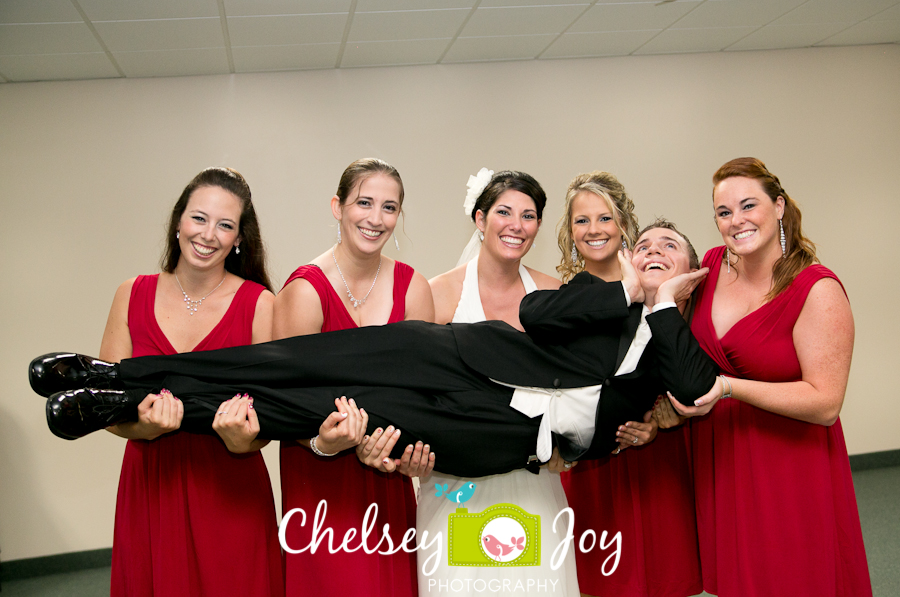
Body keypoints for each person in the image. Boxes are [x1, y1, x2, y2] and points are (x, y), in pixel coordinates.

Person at [37, 239, 722, 478]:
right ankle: (120, 375)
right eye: (648, 245)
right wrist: (632, 291)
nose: (655, 253)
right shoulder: (598, 295)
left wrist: (663, 308)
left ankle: (121, 406)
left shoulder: (672, 343)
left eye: (670, 249)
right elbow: (538, 314)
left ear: (691, 271)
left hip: (494, 434)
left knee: (315, 409)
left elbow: (695, 391)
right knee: (292, 360)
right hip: (451, 355)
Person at [673, 157, 871, 596]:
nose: (736, 221)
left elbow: (826, 403)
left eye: (748, 206)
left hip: (786, 467)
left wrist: (727, 387)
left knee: (790, 579)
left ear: (778, 206)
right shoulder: (708, 267)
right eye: (724, 213)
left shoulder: (815, 289)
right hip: (720, 462)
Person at [97, 168, 284, 596]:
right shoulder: (131, 293)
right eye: (199, 218)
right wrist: (143, 428)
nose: (209, 234)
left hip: (230, 488)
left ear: (239, 238)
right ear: (179, 221)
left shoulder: (260, 304)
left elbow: (269, 419)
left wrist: (244, 441)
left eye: (225, 225)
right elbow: (107, 406)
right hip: (151, 489)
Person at [273, 158, 434, 597]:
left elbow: (424, 393)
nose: (376, 218)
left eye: (389, 207)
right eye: (364, 202)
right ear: (337, 206)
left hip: (388, 472)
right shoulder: (305, 290)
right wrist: (328, 444)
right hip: (321, 477)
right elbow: (285, 403)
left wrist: (410, 453)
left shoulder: (413, 288)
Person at [423, 169, 577, 595]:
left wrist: (570, 443)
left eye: (528, 216)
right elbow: (416, 385)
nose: (516, 225)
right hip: (457, 483)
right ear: (479, 219)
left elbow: (575, 386)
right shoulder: (438, 293)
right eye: (504, 212)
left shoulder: (553, 293)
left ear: (539, 227)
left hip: (533, 477)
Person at [557, 172, 703, 597]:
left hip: (658, 461)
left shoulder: (687, 309)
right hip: (592, 459)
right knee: (600, 574)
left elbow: (699, 377)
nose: (593, 229)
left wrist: (662, 419)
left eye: (604, 218)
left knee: (662, 571)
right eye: (581, 221)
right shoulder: (585, 296)